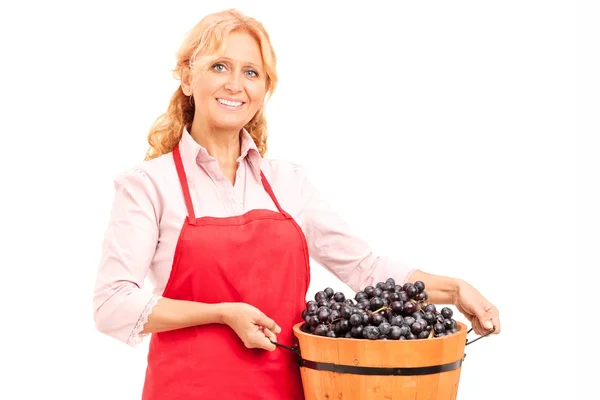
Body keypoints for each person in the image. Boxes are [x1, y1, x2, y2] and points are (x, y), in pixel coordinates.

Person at [92, 8, 501, 400]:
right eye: (219, 66)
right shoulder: (148, 185)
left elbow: (365, 268)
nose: (235, 84)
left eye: (251, 72)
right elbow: (112, 305)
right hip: (187, 392)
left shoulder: (288, 182)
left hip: (286, 392)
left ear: (263, 90)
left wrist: (455, 288)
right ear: (186, 77)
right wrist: (220, 313)